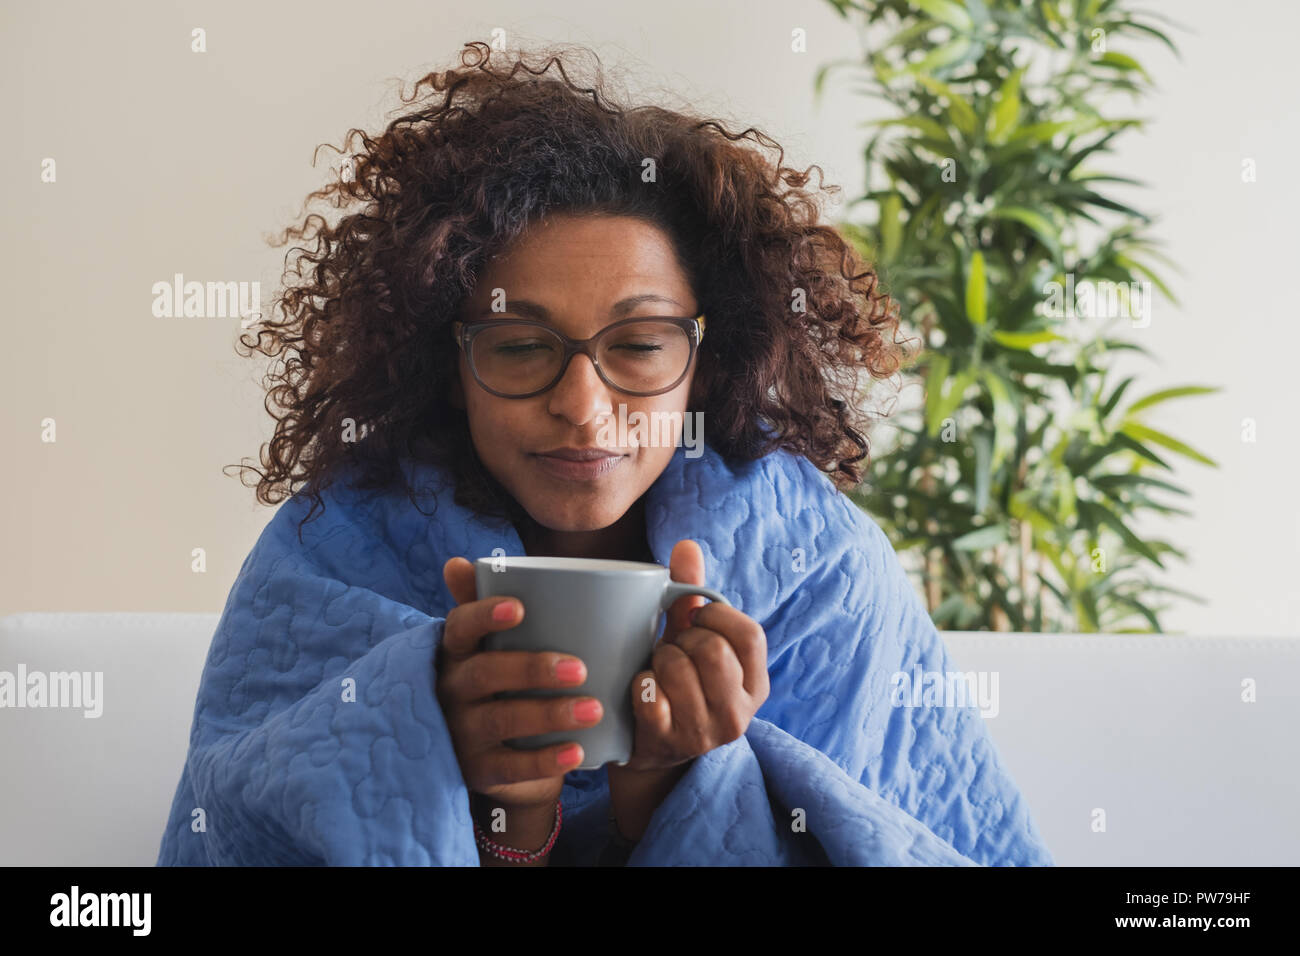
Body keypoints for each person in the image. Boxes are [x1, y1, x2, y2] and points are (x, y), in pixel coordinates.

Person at [155, 40, 1053, 867]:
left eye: (641, 344)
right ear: (447, 362)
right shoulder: (327, 558)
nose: (584, 410)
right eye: (517, 345)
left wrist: (674, 791)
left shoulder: (818, 573)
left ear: (708, 361)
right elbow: (235, 831)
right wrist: (491, 795)